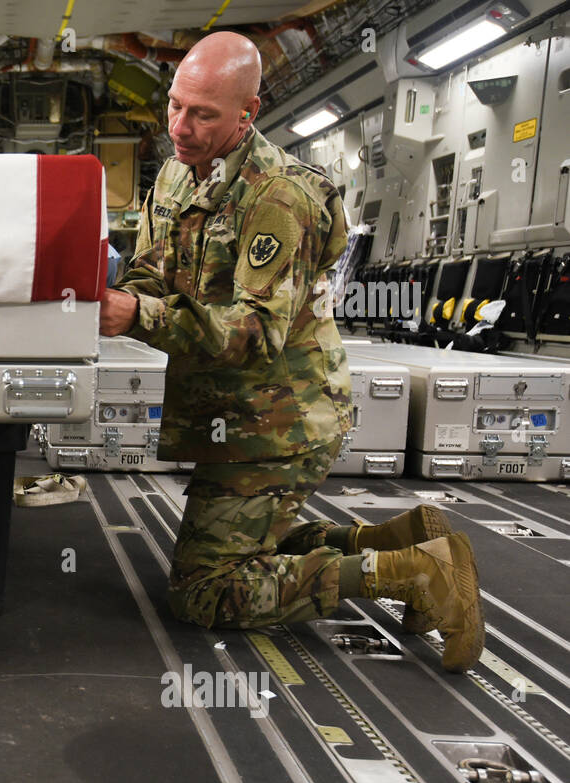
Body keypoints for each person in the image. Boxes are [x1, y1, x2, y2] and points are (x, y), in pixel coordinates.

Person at [99, 32, 483, 672]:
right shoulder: (173, 175)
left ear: (247, 114)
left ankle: (416, 574)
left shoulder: (281, 197)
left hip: (282, 419)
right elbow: (151, 270)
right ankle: (404, 539)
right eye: (174, 105)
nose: (180, 126)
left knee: (204, 591)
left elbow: (253, 332)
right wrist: (117, 289)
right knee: (236, 543)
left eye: (203, 114)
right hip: (235, 413)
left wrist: (139, 315)